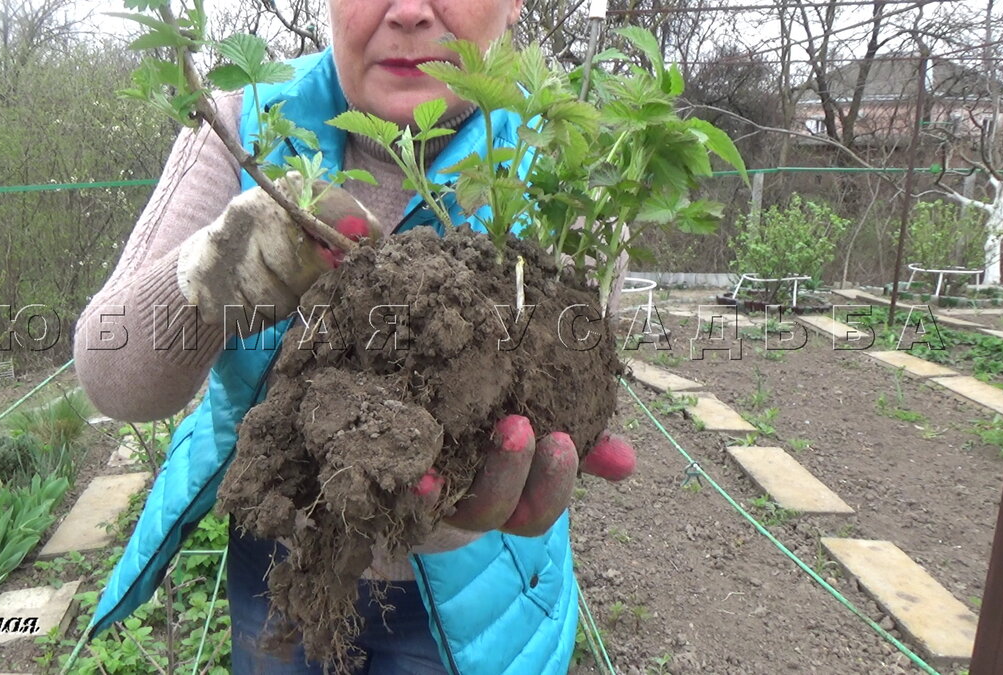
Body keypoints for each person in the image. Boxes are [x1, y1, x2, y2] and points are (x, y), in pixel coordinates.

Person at [74, 0, 633, 672]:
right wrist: (219, 273)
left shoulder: (570, 166)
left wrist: (446, 481)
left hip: (480, 603)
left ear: (516, 6)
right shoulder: (245, 121)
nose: (409, 11)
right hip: (279, 560)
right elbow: (110, 376)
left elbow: (570, 383)